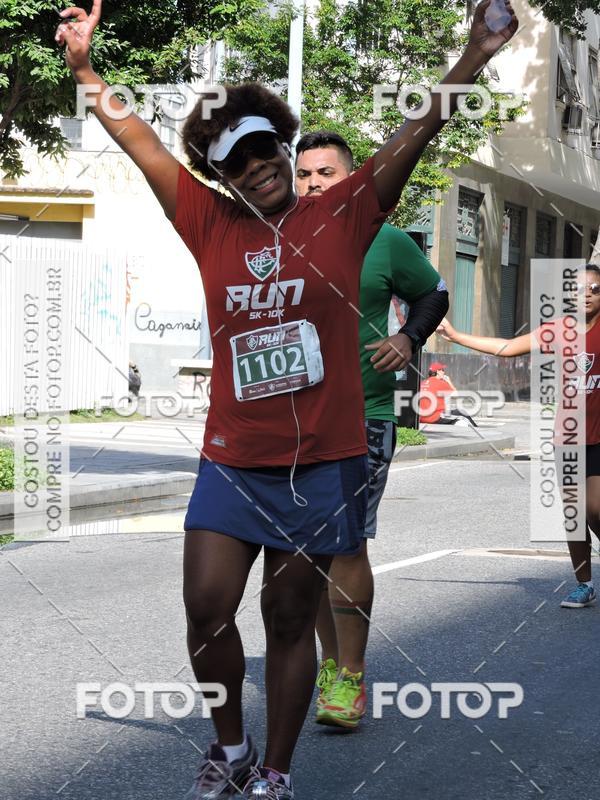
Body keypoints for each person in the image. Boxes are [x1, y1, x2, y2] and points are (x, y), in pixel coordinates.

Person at [55, 2, 518, 797]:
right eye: (239, 163)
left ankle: (274, 770)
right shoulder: (207, 222)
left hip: (319, 463)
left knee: (288, 618)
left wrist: (475, 51)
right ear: (221, 175)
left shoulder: (343, 211)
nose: (260, 168)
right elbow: (141, 145)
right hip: (233, 461)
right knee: (206, 609)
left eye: (266, 151)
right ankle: (228, 747)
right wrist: (87, 72)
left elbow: (417, 133)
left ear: (280, 143)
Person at [295, 131, 448, 730]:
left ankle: (349, 676)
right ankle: (330, 665)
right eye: (304, 173)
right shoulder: (278, 236)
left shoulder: (382, 240)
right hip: (291, 417)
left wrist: (408, 336)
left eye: (326, 173)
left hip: (364, 412)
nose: (313, 184)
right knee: (304, 549)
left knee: (346, 541)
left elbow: (432, 292)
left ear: (353, 179)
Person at [437, 263, 600, 609]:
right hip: (568, 438)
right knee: (573, 516)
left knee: (595, 509)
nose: (586, 294)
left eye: (594, 289)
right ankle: (584, 584)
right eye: (580, 288)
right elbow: (508, 347)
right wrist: (456, 336)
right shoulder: (560, 330)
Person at [418, 362, 478, 426]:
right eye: (443, 370)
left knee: (455, 418)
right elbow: (456, 395)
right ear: (438, 371)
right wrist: (449, 381)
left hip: (421, 418)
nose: (444, 372)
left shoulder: (423, 383)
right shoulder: (440, 383)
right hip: (434, 417)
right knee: (462, 413)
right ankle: (476, 428)